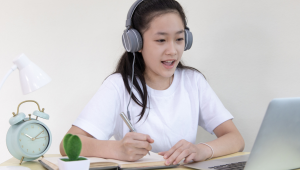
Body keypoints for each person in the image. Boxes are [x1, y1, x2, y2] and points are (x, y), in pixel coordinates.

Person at [59, 0, 244, 166]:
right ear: (135, 42)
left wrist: (202, 150)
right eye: (161, 40)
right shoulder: (118, 85)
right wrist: (117, 149)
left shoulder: (193, 81)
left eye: (179, 39)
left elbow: (235, 138)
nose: (172, 50)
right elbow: (67, 144)